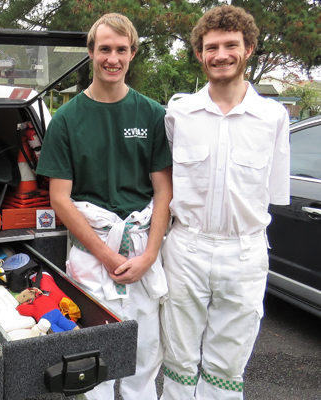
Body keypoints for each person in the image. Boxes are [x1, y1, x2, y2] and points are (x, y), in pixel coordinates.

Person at [36, 13, 173, 400]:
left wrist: (149, 255)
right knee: (91, 363)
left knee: (144, 356)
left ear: (132, 54)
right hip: (92, 257)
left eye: (121, 50)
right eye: (105, 49)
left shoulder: (152, 115)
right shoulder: (66, 120)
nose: (113, 58)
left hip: (142, 255)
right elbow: (59, 199)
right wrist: (107, 256)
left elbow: (164, 192)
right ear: (91, 52)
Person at [160, 6, 289, 399]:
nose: (220, 55)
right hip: (187, 248)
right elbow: (166, 182)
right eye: (211, 47)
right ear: (199, 54)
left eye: (230, 45)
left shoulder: (273, 117)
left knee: (227, 366)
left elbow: (274, 193)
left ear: (248, 49)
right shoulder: (179, 112)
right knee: (178, 359)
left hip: (245, 253)